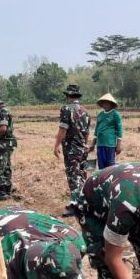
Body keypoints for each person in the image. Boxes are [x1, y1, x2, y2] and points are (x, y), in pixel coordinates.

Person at [53, 84, 90, 216]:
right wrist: (84, 144)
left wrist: (56, 145)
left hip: (71, 149)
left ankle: (75, 206)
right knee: (82, 175)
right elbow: (86, 132)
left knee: (73, 176)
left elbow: (63, 129)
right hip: (82, 148)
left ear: (68, 96)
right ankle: (85, 202)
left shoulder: (66, 109)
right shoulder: (85, 111)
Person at [89, 93, 123, 169]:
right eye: (104, 102)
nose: (105, 104)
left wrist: (118, 145)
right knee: (101, 166)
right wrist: (92, 144)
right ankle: (103, 177)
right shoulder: (100, 114)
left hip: (110, 144)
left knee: (110, 166)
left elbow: (119, 130)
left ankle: (110, 177)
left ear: (111, 104)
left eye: (107, 102)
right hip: (100, 144)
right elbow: (96, 130)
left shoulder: (115, 114)